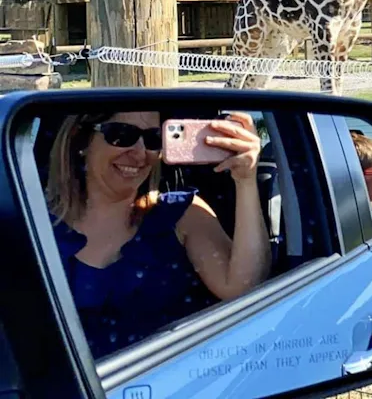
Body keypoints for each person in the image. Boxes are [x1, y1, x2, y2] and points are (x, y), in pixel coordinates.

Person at [44, 110, 271, 359]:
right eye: (122, 135)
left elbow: (244, 289)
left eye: (153, 139)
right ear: (80, 141)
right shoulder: (34, 222)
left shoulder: (181, 214)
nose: (140, 154)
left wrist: (246, 180)